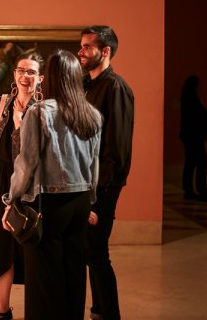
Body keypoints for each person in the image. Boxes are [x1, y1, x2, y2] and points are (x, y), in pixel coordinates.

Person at [1, 49, 102, 320]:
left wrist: (11, 199)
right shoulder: (92, 114)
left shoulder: (39, 112)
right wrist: (90, 201)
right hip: (80, 203)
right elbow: (94, 166)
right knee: (74, 273)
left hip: (50, 203)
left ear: (52, 78)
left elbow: (26, 163)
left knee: (44, 280)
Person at [0, 52, 45, 320]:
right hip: (1, 179)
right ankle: (2, 310)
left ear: (40, 78)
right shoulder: (1, 103)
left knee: (31, 243)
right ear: (14, 74)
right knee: (1, 243)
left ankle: (37, 310)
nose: (25, 76)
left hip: (32, 184)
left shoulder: (45, 109)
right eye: (21, 71)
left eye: (31, 72)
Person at [78, 25, 134, 320]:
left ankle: (108, 315)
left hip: (103, 186)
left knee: (97, 252)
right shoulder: (88, 85)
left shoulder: (116, 88)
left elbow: (117, 150)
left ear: (106, 51)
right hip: (86, 183)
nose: (81, 51)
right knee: (91, 252)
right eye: (82, 46)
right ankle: (99, 311)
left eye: (87, 46)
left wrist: (98, 198)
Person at [178, 75, 207, 204]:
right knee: (201, 163)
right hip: (194, 136)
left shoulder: (188, 98)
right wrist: (205, 133)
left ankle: (189, 190)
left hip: (191, 136)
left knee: (191, 163)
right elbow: (196, 119)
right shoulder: (192, 99)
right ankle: (201, 191)